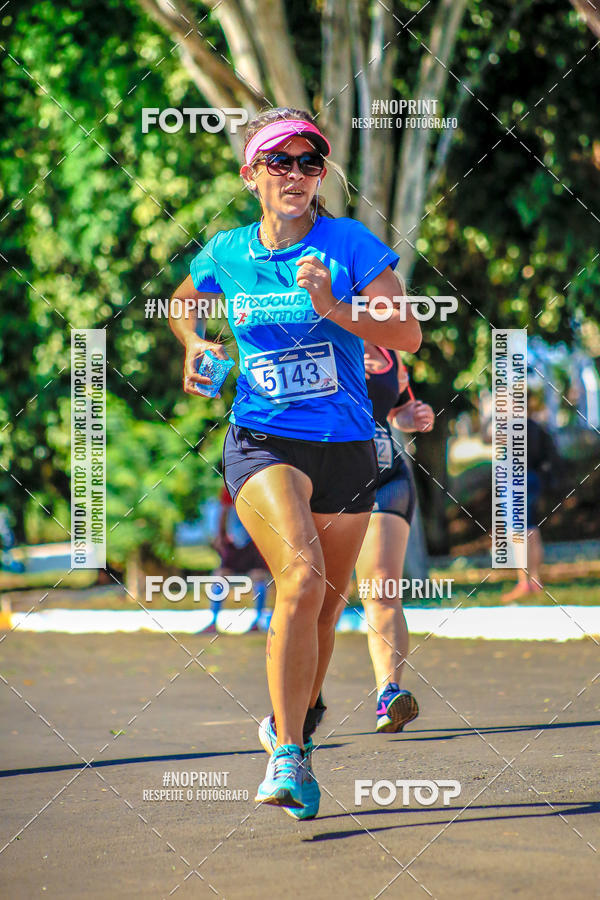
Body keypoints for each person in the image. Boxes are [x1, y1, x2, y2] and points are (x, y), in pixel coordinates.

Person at [169, 106, 421, 820]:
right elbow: (182, 304)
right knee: (301, 574)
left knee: (320, 610)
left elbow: (408, 332)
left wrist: (335, 306)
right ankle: (285, 753)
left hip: (347, 446)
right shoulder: (225, 251)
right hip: (263, 436)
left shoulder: (349, 244)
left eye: (310, 164)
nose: (296, 176)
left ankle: (295, 733)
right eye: (280, 162)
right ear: (251, 174)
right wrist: (195, 344)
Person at [353, 346, 434, 732]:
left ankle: (389, 694)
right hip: (324, 484)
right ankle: (303, 699)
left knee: (382, 587)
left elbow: (398, 409)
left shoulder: (388, 347)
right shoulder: (309, 330)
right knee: (316, 594)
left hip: (386, 478)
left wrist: (412, 416)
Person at [502, 394, 561, 602]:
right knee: (532, 530)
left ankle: (523, 582)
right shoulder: (536, 427)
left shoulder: (510, 427)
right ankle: (535, 579)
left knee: (516, 532)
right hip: (533, 479)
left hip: (515, 482)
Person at [209, 485, 270, 632]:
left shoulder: (234, 482)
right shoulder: (252, 483)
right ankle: (215, 621)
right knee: (222, 575)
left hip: (251, 540)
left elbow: (224, 512)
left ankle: (256, 621)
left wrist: (221, 535)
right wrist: (221, 536)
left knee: (257, 576)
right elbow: (224, 511)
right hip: (244, 540)